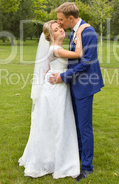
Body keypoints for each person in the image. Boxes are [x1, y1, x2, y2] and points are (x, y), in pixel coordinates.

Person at [18, 20, 90, 179]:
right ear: (50, 36)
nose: (61, 31)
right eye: (56, 30)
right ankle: (51, 161)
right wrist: (79, 33)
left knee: (56, 124)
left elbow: (54, 65)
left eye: (60, 28)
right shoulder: (56, 49)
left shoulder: (57, 48)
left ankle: (55, 158)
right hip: (54, 91)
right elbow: (78, 54)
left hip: (59, 87)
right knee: (56, 124)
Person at [49, 2, 104, 182]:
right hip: (75, 84)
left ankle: (87, 167)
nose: (59, 23)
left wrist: (63, 76)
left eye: (61, 19)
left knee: (84, 127)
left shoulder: (87, 32)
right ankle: (79, 157)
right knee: (77, 125)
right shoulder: (75, 31)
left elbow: (86, 62)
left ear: (71, 18)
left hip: (85, 85)